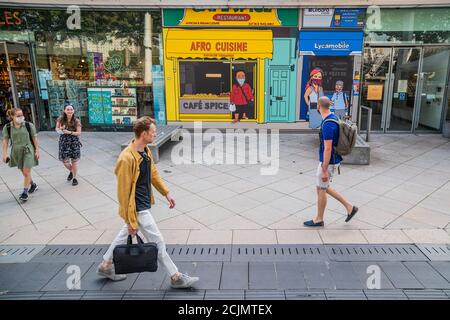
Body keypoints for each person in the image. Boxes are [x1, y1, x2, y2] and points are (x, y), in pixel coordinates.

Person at [97, 116, 199, 288]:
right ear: (144, 133)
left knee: (124, 235)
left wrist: (166, 193)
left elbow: (153, 174)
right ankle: (176, 277)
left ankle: (106, 265)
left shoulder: (145, 150)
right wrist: (129, 219)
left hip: (142, 204)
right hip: (136, 208)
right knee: (158, 242)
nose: (155, 134)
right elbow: (122, 195)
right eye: (153, 131)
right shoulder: (126, 159)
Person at [304, 96, 358, 227]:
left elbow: (328, 149)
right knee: (322, 187)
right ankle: (350, 208)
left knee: (322, 188)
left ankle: (319, 219)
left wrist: (324, 170)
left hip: (328, 162)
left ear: (318, 106)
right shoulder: (333, 117)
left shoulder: (328, 124)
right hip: (331, 160)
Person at [1, 108, 39, 202]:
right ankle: (33, 185)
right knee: (24, 173)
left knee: (26, 172)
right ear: (12, 117)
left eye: (21, 115)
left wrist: (37, 150)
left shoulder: (28, 125)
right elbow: (5, 142)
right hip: (16, 151)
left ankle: (25, 193)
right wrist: (4, 154)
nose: (21, 117)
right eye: (18, 116)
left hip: (28, 150)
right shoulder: (8, 127)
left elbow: (34, 139)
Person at [56, 105, 82, 186]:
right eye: (68, 109)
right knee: (65, 161)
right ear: (64, 110)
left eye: (71, 109)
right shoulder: (61, 119)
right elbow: (57, 130)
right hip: (64, 142)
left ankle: (74, 178)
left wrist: (69, 132)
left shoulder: (76, 121)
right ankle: (72, 171)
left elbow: (79, 133)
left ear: (73, 111)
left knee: (74, 161)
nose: (69, 111)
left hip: (74, 142)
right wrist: (61, 129)